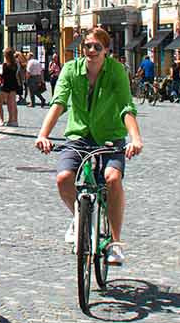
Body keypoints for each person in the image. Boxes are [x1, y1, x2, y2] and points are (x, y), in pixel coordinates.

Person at [35, 27, 143, 266]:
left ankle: (115, 243)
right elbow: (59, 103)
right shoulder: (71, 70)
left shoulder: (116, 71)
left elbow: (126, 107)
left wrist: (135, 139)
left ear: (106, 50)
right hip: (78, 136)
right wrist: (43, 134)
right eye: (87, 46)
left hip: (110, 135)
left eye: (97, 47)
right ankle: (79, 217)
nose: (91, 51)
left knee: (112, 178)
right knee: (64, 178)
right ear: (82, 48)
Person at [0, 48, 21, 126]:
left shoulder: (5, 64)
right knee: (12, 103)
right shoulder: (15, 64)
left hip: (6, 85)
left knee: (0, 103)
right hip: (13, 84)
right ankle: (13, 120)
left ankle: (1, 120)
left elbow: (3, 75)